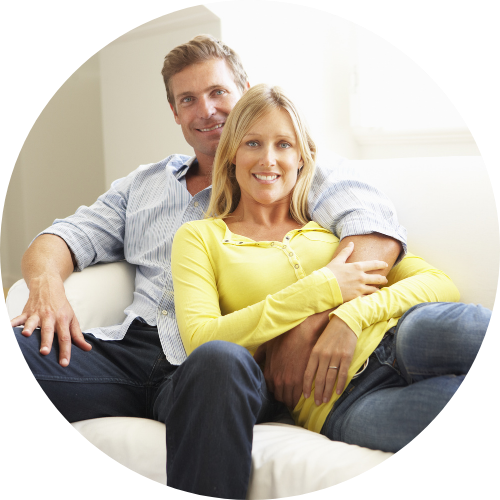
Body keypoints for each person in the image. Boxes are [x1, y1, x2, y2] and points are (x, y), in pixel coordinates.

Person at [13, 35, 407, 496]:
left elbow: (376, 235)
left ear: (243, 92)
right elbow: (61, 237)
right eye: (188, 99)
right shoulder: (142, 186)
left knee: (218, 360)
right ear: (175, 113)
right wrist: (45, 288)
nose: (207, 110)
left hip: (228, 358)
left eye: (218, 92)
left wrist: (314, 324)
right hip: (131, 352)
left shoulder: (289, 165)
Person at [170, 83, 491, 498]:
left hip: (401, 336)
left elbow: (438, 283)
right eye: (253, 143)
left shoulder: (329, 228)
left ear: (302, 159)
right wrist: (321, 288)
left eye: (283, 144)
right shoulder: (200, 237)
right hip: (339, 403)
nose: (269, 159)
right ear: (232, 153)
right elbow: (201, 339)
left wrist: (348, 316)